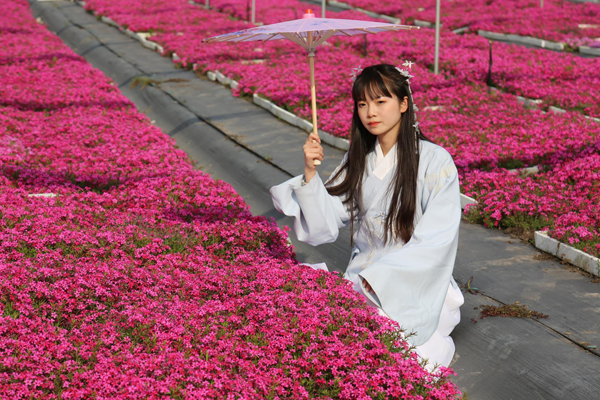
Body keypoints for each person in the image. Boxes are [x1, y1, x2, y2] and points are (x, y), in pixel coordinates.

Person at [270, 64, 464, 369]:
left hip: (416, 284)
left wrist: (382, 278)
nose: (370, 112)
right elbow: (326, 220)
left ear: (403, 104)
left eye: (380, 101)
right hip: (362, 281)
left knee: (391, 350)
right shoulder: (359, 159)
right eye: (362, 104)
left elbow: (436, 240)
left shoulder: (434, 161)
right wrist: (310, 171)